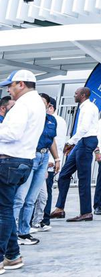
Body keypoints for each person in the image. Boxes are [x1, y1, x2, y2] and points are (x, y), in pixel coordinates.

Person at [0, 70, 46, 271]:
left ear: (21, 84)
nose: (8, 90)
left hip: (9, 161)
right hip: (24, 161)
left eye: (10, 85)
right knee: (6, 210)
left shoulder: (22, 105)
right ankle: (13, 256)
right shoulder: (37, 103)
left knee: (3, 212)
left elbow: (12, 133)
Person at [12, 90, 56, 247]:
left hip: (43, 158)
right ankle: (11, 234)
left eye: (43, 102)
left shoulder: (51, 120)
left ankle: (24, 232)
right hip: (30, 157)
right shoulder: (28, 118)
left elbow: (51, 140)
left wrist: (56, 158)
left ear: (47, 105)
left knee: (31, 199)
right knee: (19, 198)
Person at [50, 87, 99, 222]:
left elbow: (84, 128)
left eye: (76, 93)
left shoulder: (88, 108)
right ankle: (59, 208)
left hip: (85, 141)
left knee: (83, 179)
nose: (74, 95)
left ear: (83, 95)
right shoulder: (84, 107)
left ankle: (86, 212)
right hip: (82, 142)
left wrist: (70, 142)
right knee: (64, 175)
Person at [35, 97, 66, 231]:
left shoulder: (54, 121)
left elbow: (53, 141)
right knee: (33, 194)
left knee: (44, 194)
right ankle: (37, 221)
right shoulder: (36, 120)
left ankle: (42, 220)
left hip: (47, 160)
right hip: (40, 159)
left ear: (50, 106)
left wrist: (56, 159)